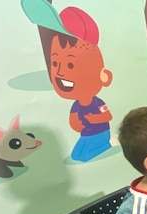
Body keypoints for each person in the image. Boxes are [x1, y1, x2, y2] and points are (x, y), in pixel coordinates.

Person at [48, 7, 114, 162]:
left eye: (70, 65)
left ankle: (108, 144)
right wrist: (75, 124)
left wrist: (95, 119)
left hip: (101, 132)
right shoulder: (76, 105)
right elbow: (73, 120)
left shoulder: (98, 102)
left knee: (81, 156)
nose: (61, 72)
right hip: (87, 134)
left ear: (104, 77)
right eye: (56, 63)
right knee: (76, 155)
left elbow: (108, 116)